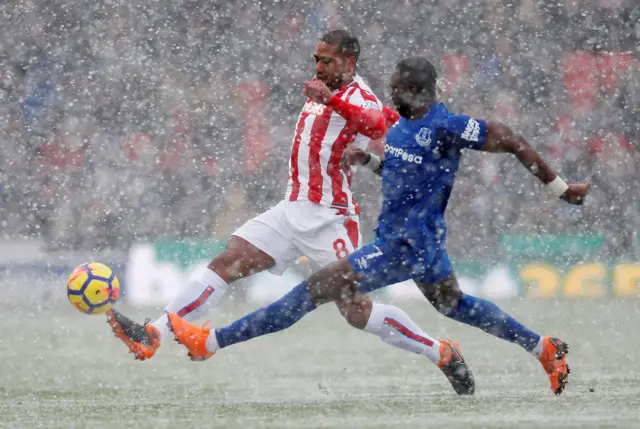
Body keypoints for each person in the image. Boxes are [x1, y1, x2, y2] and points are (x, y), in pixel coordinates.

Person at [166, 56, 591, 396]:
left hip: (405, 246)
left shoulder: (445, 125)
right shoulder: (403, 127)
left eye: (396, 86)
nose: (389, 91)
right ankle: (544, 348)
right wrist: (369, 162)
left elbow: (510, 137)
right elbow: (404, 173)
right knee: (454, 305)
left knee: (312, 291)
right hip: (421, 244)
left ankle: (211, 342)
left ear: (416, 91)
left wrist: (561, 189)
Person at [107, 32, 474, 394]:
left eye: (326, 59)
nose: (318, 65)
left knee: (357, 311)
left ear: (348, 62)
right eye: (316, 58)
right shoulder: (322, 87)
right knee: (226, 263)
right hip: (291, 208)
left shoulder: (355, 95)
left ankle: (440, 352)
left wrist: (336, 102)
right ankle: (153, 333)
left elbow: (375, 124)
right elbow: (386, 118)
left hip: (331, 218)